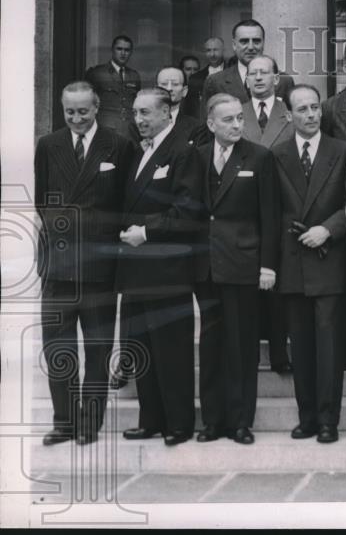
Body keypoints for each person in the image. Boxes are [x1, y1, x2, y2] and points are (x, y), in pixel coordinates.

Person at [34, 81, 134, 445]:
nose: (76, 118)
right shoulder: (48, 145)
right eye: (69, 111)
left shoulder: (119, 146)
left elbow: (125, 202)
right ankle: (63, 422)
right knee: (58, 348)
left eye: (83, 111)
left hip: (99, 267)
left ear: (96, 108)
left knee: (97, 349)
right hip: (58, 267)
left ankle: (89, 424)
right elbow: (43, 200)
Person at [117, 88, 204, 446]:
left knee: (172, 350)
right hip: (136, 271)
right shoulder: (141, 152)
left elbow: (188, 211)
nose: (139, 120)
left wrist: (147, 232)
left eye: (146, 113)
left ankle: (179, 424)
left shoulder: (183, 153)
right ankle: (150, 419)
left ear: (167, 113)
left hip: (167, 271)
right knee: (143, 349)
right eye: (136, 113)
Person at [272, 86, 346, 444]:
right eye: (301, 109)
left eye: (314, 108)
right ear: (288, 115)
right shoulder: (276, 155)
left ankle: (327, 420)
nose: (310, 114)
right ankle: (306, 418)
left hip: (328, 258)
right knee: (301, 347)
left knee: (329, 347)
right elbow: (271, 210)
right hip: (292, 261)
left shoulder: (343, 151)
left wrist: (328, 229)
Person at [193, 94, 279, 446]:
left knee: (242, 346)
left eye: (239, 119)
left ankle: (241, 420)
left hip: (244, 265)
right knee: (211, 346)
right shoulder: (195, 158)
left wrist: (268, 266)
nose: (236, 125)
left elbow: (270, 216)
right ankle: (212, 421)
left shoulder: (259, 157)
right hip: (206, 267)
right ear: (211, 124)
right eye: (227, 120)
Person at [238, 55, 294, 376]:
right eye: (253, 73)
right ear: (246, 80)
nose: (258, 78)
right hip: (244, 210)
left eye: (265, 73)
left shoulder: (290, 112)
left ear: (276, 79)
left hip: (283, 207)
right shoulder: (237, 113)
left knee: (278, 286)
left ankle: (279, 353)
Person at [203, 19, 294, 104]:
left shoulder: (284, 81)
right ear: (234, 45)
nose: (250, 47)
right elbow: (207, 120)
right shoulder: (215, 82)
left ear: (263, 43)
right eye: (244, 41)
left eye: (256, 41)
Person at [84, 34, 142, 136]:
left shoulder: (134, 75)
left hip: (129, 132)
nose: (123, 53)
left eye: (127, 50)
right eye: (119, 49)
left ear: (131, 52)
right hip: (105, 131)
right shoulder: (97, 73)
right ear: (112, 50)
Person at [187, 37, 227, 119]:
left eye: (216, 50)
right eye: (208, 50)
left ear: (223, 50)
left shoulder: (234, 73)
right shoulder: (195, 78)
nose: (212, 54)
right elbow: (191, 108)